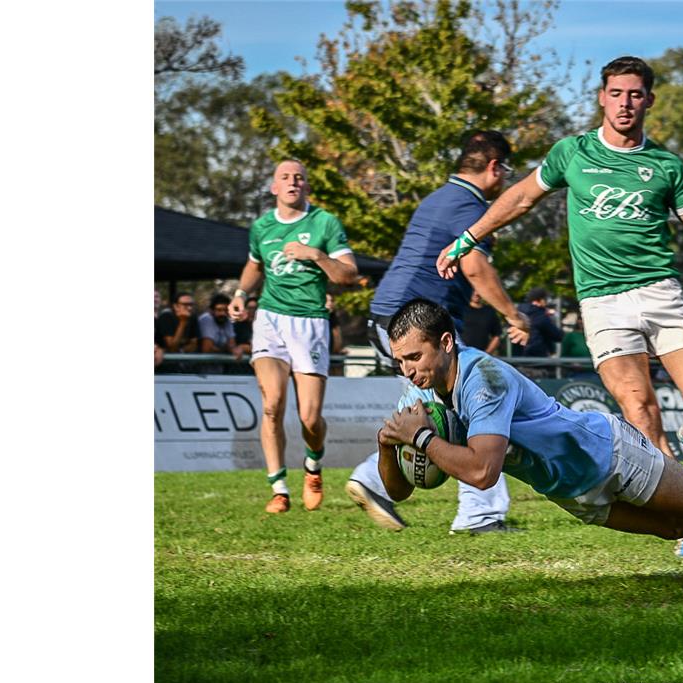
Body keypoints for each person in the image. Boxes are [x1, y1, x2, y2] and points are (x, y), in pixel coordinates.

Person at [436, 56, 683, 558]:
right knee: (639, 407)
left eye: (635, 94)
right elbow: (522, 196)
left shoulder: (666, 165)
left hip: (660, 292)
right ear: (602, 97)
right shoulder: (573, 153)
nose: (625, 103)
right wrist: (468, 237)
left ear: (649, 100)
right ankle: (682, 513)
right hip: (603, 303)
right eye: (616, 93)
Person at [377, 299, 683, 554]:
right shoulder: (420, 393)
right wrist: (387, 445)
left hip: (603, 454)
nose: (408, 370)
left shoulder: (482, 379)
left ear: (445, 342)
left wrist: (421, 438)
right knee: (676, 528)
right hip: (567, 489)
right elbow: (404, 491)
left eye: (415, 357)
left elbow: (482, 472)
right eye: (399, 361)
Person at [346, 130, 529, 534]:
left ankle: (372, 479)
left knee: (434, 407)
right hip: (417, 321)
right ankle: (478, 516)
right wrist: (514, 315)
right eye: (507, 172)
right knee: (471, 401)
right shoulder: (466, 203)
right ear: (495, 167)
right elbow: (475, 267)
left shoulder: (441, 197)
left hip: (395, 313)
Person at [228, 159, 360, 514]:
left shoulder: (324, 223)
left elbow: (349, 274)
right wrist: (241, 294)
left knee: (309, 418)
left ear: (307, 188)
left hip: (310, 322)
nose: (292, 182)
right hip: (270, 319)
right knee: (271, 405)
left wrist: (315, 254)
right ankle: (279, 489)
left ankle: (313, 466)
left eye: (299, 178)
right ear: (274, 188)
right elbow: (255, 265)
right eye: (285, 177)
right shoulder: (262, 227)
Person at [517, 286, 564, 357]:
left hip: (517, 357)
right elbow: (557, 336)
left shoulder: (518, 312)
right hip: (537, 358)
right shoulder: (540, 315)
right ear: (541, 300)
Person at [198, 293, 243, 358]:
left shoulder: (226, 320)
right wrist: (227, 349)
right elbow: (207, 348)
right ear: (211, 311)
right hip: (200, 364)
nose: (223, 313)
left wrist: (233, 348)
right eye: (219, 310)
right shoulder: (207, 319)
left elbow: (232, 344)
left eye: (226, 310)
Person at [460, 291, 503, 355]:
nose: (476, 294)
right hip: (460, 354)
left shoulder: (490, 312)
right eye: (473, 290)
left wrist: (486, 353)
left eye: (478, 291)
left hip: (482, 357)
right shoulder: (460, 309)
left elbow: (497, 335)